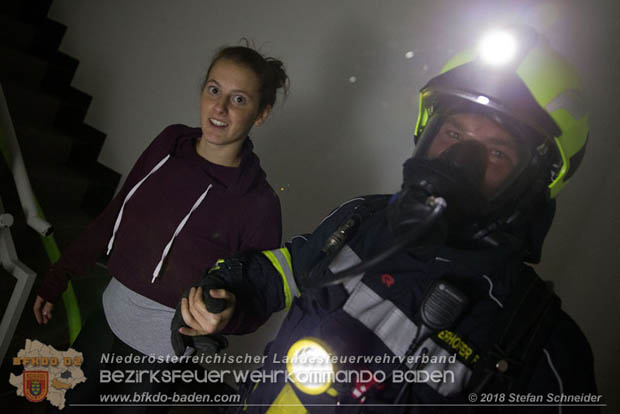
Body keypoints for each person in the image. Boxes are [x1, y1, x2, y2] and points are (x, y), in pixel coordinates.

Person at [178, 26, 598, 413]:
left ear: (538, 179)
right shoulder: (364, 219)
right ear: (427, 130)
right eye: (453, 134)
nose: (459, 162)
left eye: (496, 152)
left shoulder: (540, 343)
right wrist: (227, 288)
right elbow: (285, 270)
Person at [33, 44, 289, 411]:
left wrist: (227, 316)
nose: (219, 108)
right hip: (107, 317)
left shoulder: (259, 204)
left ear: (260, 114)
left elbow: (260, 300)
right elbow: (115, 212)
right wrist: (60, 275)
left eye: (239, 99)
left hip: (161, 356)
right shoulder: (170, 143)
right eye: (214, 90)